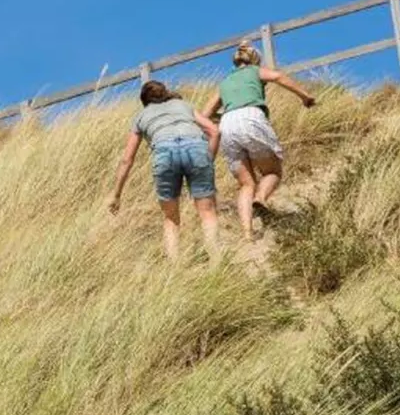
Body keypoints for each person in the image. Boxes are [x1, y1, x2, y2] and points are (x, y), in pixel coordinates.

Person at [200, 44, 316, 240]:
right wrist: (304, 96)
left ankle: (247, 233)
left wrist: (228, 115)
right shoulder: (254, 71)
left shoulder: (224, 83)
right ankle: (260, 199)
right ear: (254, 60)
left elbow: (204, 114)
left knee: (246, 184)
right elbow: (278, 77)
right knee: (273, 171)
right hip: (252, 117)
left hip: (227, 125)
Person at [108, 80, 222, 260]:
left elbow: (126, 160)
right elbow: (214, 131)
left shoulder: (141, 116)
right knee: (207, 212)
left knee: (171, 218)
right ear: (165, 93)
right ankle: (217, 263)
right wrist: (208, 161)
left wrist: (116, 194)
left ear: (144, 100)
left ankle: (174, 270)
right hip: (196, 149)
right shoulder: (183, 105)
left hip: (164, 153)